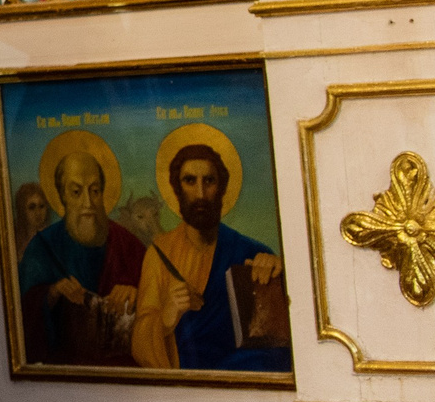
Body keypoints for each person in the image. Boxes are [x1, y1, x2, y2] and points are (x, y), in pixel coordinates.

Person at [133, 132, 290, 372]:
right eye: (190, 181)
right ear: (176, 189)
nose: (200, 194)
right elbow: (140, 346)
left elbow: (279, 347)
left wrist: (276, 276)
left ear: (223, 188)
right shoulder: (159, 254)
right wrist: (166, 316)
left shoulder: (253, 252)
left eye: (209, 181)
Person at [15, 134, 144, 366]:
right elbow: (21, 318)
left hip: (124, 372)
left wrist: (137, 292)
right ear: (62, 195)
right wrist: (52, 293)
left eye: (94, 191)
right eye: (76, 192)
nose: (88, 202)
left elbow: (157, 304)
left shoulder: (128, 245)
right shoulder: (41, 248)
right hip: (66, 370)